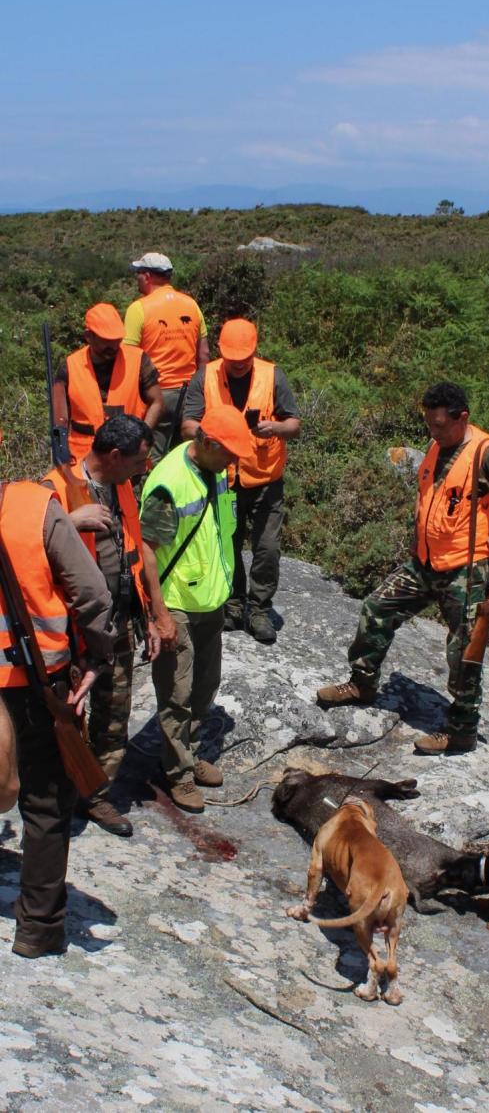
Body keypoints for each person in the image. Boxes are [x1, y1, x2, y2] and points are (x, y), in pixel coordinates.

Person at [316, 381, 489, 755]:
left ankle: (462, 729)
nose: (431, 432)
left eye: (439, 425)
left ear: (461, 417)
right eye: (429, 424)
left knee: (464, 649)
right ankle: (362, 683)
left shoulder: (487, 453)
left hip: (465, 571)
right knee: (377, 608)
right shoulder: (440, 444)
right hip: (424, 563)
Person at [43, 415, 177, 837]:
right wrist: (69, 522)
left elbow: (139, 552)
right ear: (115, 455)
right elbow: (22, 554)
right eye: (139, 460)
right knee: (65, 718)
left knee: (114, 716)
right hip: (72, 631)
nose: (145, 468)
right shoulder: (53, 490)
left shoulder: (123, 488)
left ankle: (96, 796)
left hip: (118, 624)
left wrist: (154, 616)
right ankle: (52, 798)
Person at [0, 477, 114, 957]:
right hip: (33, 683)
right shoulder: (32, 506)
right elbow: (93, 595)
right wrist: (94, 657)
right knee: (45, 803)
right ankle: (39, 930)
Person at [139, 407, 251, 813]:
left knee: (206, 685)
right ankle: (178, 775)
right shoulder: (171, 483)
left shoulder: (214, 467)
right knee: (177, 693)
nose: (234, 462)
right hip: (178, 605)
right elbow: (147, 549)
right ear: (206, 443)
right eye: (229, 453)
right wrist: (160, 615)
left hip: (209, 600)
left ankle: (189, 750)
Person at [180, 318, 301, 644]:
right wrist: (212, 436)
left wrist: (274, 428)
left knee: (267, 549)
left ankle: (259, 609)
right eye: (231, 360)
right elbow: (187, 424)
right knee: (226, 545)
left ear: (253, 351)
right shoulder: (205, 376)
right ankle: (232, 605)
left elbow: (294, 423)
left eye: (243, 360)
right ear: (221, 351)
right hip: (223, 478)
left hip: (265, 479)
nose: (237, 366)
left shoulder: (272, 375)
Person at [124, 252, 209, 463]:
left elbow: (129, 358)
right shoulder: (192, 305)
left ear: (147, 276)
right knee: (188, 457)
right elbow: (204, 354)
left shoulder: (138, 308)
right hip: (191, 394)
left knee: (149, 458)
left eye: (138, 273)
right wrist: (201, 391)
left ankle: (150, 495)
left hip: (156, 397)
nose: (137, 278)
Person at [53, 302, 164, 464]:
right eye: (106, 340)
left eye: (116, 340)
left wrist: (140, 439)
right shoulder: (69, 366)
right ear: (88, 336)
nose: (113, 346)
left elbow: (158, 402)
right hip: (84, 461)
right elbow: (59, 422)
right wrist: (62, 457)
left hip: (128, 459)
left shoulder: (139, 359)